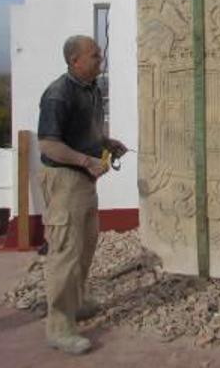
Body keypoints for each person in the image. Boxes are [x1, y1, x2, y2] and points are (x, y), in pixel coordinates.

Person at [37, 35, 127, 355]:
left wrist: (106, 144)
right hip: (65, 179)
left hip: (85, 181)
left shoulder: (92, 90)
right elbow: (48, 144)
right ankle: (59, 327)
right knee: (64, 252)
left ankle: (76, 302)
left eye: (99, 54)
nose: (100, 59)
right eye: (94, 55)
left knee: (85, 245)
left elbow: (89, 131)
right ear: (75, 61)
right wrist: (85, 160)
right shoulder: (57, 94)